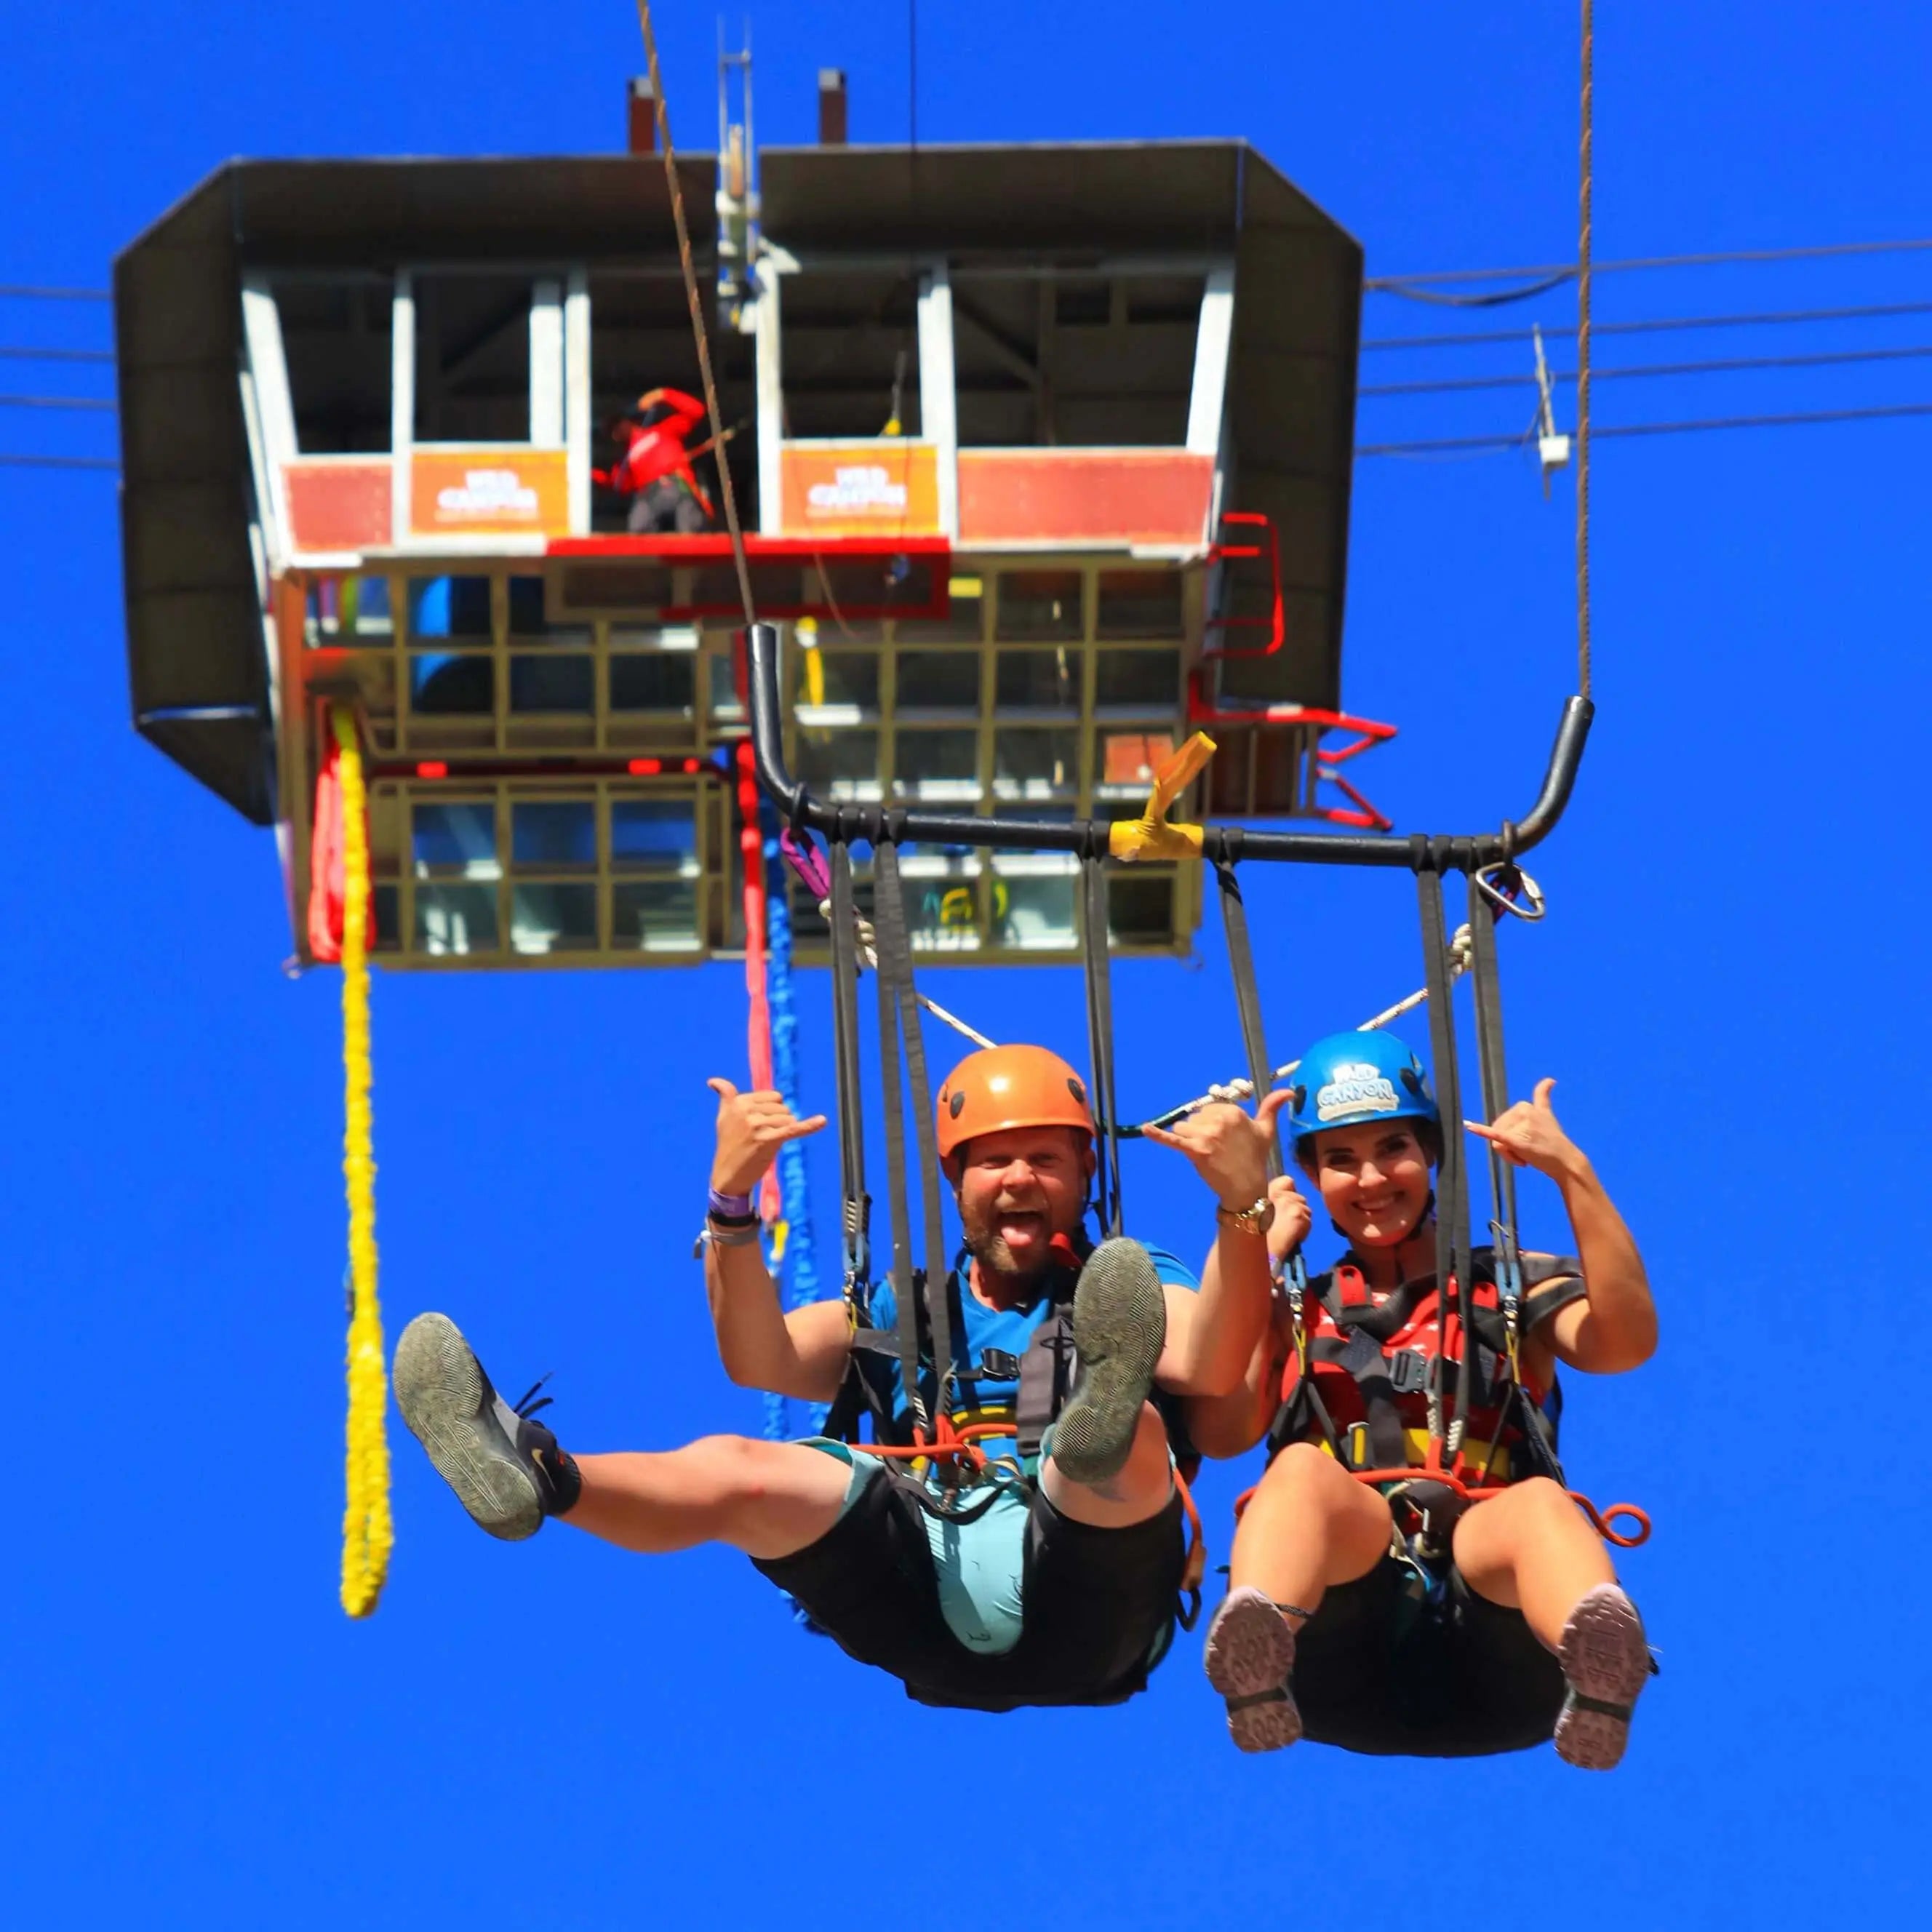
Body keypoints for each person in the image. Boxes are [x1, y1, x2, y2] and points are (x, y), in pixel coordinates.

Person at [394, 1043, 1286, 1712]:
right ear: (954, 1179)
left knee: (1114, 1431)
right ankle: (540, 1471)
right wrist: (732, 1200)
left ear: (1085, 1172)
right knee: (749, 1466)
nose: (1020, 1177)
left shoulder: (1126, 1281)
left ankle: (1089, 1425)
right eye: (993, 1161)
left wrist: (1242, 1210)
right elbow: (760, 1357)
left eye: (1047, 1159)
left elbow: (1206, 1357)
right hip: (919, 1591)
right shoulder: (907, 1312)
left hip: (1090, 1602)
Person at [1188, 1030, 1657, 1768]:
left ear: (1431, 1152)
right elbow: (1219, 1426)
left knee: (1537, 1503)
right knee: (1301, 1473)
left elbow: (1622, 1340)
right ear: (1309, 1173)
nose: (1371, 1178)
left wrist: (1572, 1172)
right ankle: (1256, 1646)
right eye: (1340, 1159)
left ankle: (1600, 1664)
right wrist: (1253, 1236)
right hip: (1333, 1652)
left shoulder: (1509, 1283)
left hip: (1503, 1655)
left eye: (1392, 1149)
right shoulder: (1288, 1309)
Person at [594, 387, 715, 533]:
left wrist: (663, 394)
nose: (617, 432)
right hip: (648, 496)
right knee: (638, 527)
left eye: (617, 424)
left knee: (689, 528)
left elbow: (697, 411)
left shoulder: (663, 431)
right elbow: (616, 484)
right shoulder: (625, 462)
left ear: (628, 421)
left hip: (678, 486)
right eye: (612, 431)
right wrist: (587, 472)